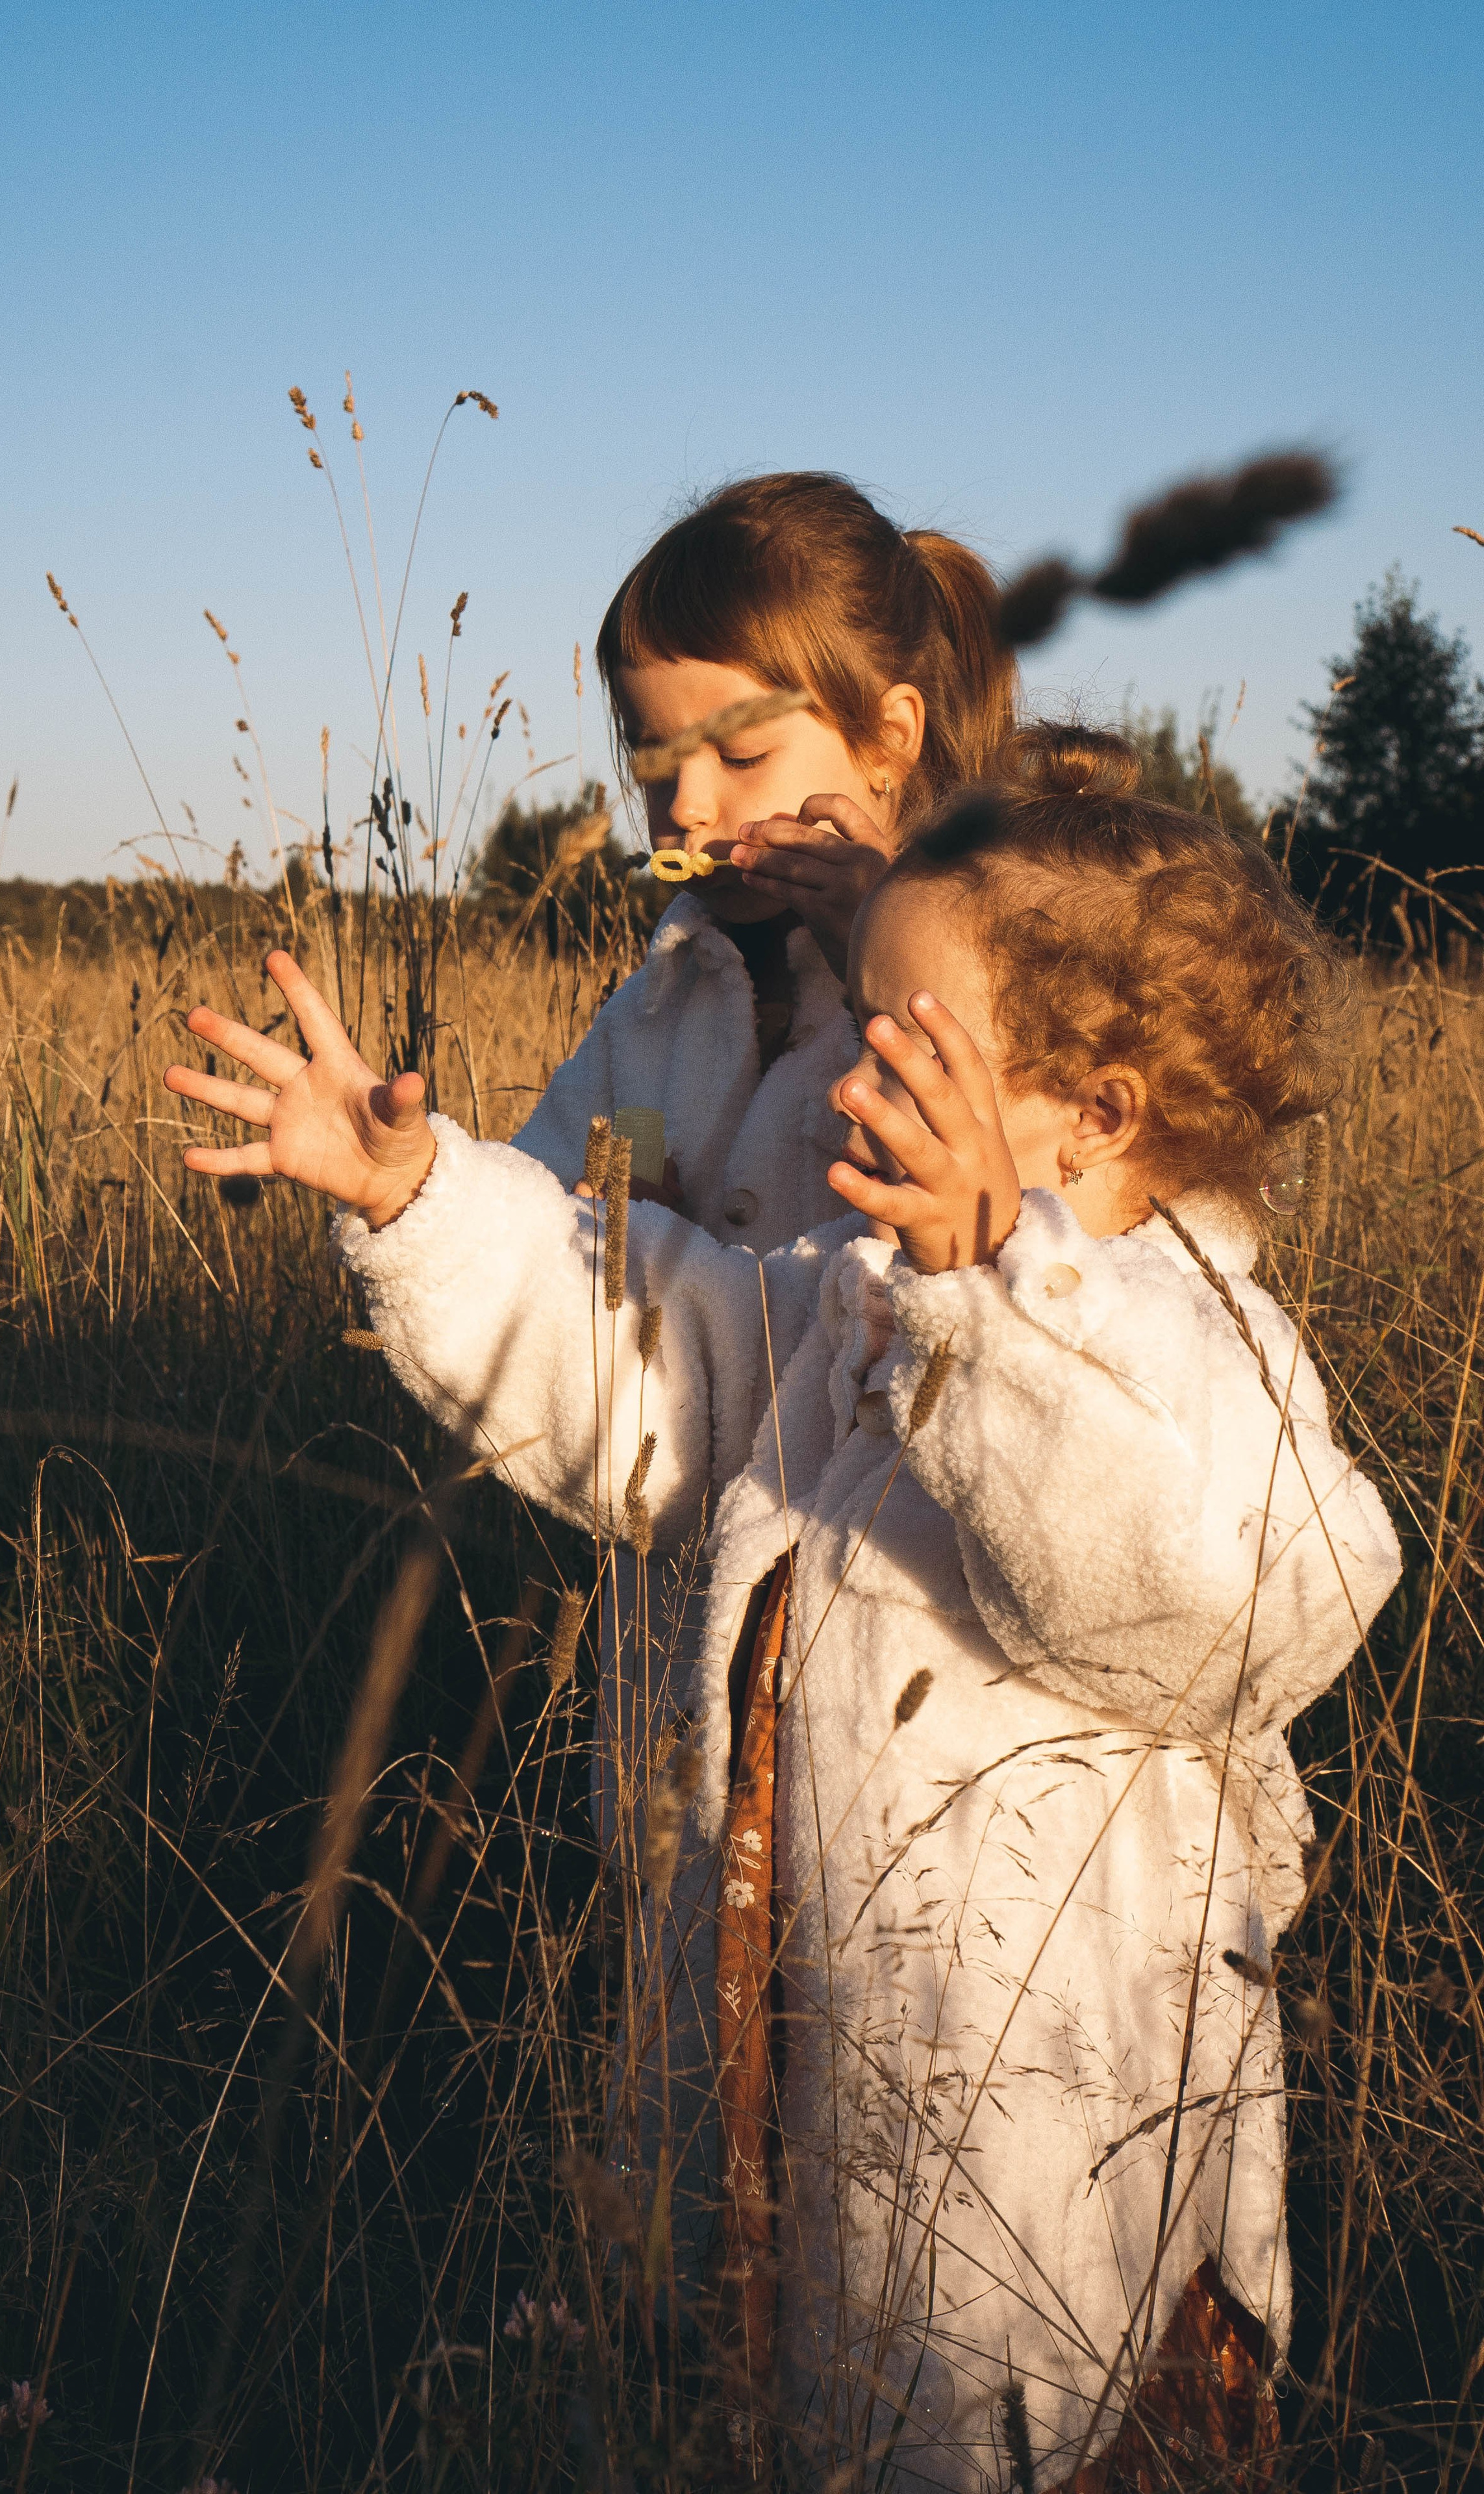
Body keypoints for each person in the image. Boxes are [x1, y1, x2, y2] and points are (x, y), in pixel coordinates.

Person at [164, 726, 1400, 2491]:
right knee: (787, 2380)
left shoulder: (1183, 1343)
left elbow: (1232, 1600)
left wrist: (1002, 1303)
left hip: (1036, 2103)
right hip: (795, 2021)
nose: (840, 1089)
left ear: (1103, 1110)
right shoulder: (855, 1301)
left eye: (901, 1045)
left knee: (992, 2415)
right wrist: (419, 1200)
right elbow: (650, 1361)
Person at [512, 470, 1017, 1252]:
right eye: (656, 760)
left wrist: (876, 950)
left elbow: (1015, 1194)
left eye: (743, 757)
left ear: (888, 740)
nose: (686, 806)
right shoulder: (651, 1020)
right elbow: (534, 1223)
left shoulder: (1002, 961)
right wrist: (589, 1225)